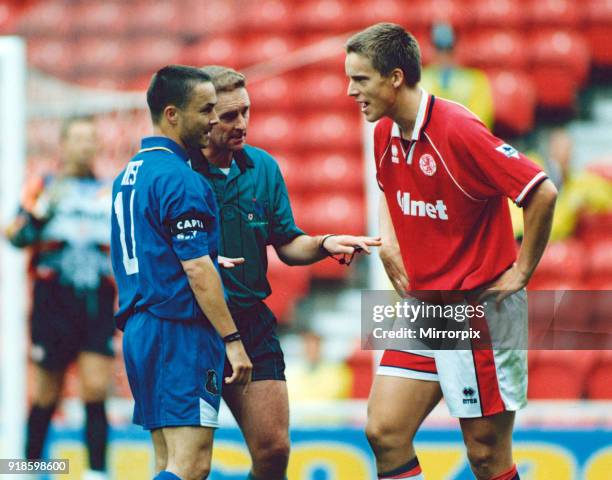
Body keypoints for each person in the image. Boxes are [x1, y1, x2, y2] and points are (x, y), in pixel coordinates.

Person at [345, 23, 557, 480]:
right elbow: (388, 186)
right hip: (425, 308)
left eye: (360, 79)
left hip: (478, 309)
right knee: (384, 431)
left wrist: (521, 271)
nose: (350, 91)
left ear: (395, 77)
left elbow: (541, 191)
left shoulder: (458, 129)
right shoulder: (384, 134)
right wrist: (389, 242)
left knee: (485, 455)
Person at [189, 65, 381, 480]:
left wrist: (324, 243)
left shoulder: (263, 168)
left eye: (246, 111)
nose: (242, 123)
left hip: (252, 319)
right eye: (228, 116)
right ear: (203, 117)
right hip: (194, 325)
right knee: (192, 463)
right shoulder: (180, 174)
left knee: (274, 450)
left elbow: (287, 244)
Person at [110, 65, 252, 480]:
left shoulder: (128, 175)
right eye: (206, 109)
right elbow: (195, 268)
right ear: (172, 114)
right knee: (191, 465)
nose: (214, 119)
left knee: (166, 461)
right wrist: (233, 339)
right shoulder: (181, 179)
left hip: (142, 329)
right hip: (180, 332)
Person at [5, 117, 114, 480]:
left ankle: (96, 472)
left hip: (96, 299)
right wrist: (43, 214)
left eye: (91, 139)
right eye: (78, 139)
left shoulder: (109, 191)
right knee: (46, 393)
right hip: (53, 301)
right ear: (63, 145)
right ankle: (29, 470)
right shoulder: (43, 186)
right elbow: (14, 236)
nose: (85, 146)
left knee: (96, 388)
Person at [421, 22, 494, 129]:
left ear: (456, 47)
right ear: (431, 48)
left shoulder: (476, 80)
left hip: (465, 139)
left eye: (449, 48)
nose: (444, 54)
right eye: (439, 48)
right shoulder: (419, 79)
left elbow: (480, 119)